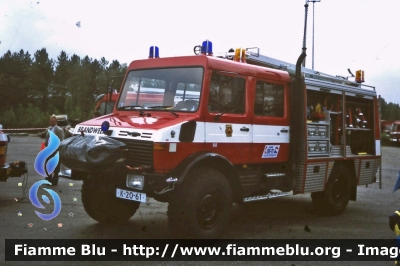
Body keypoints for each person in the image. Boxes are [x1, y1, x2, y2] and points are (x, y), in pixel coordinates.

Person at [44, 115, 64, 186]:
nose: (51, 122)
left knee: (56, 167)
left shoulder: (59, 130)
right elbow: (47, 139)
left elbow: (61, 141)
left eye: (53, 121)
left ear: (56, 122)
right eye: (50, 121)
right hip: (48, 150)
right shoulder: (48, 129)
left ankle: (54, 181)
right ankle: (48, 179)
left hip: (55, 150)